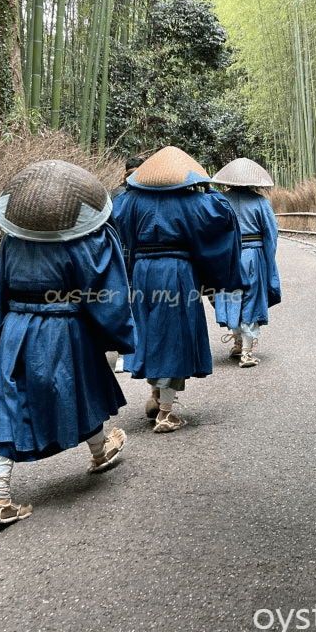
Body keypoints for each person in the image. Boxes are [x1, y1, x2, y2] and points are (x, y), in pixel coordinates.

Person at [0, 159, 136, 525]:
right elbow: (104, 292)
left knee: (10, 403)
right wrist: (120, 334)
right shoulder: (85, 243)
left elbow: (0, 293)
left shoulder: (11, 243)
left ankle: (0, 496)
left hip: (16, 329)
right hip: (64, 329)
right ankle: (99, 451)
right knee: (80, 389)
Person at [112, 145, 245, 432]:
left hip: (142, 272)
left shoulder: (131, 200)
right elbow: (222, 212)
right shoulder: (191, 200)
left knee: (151, 331)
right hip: (176, 271)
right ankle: (165, 412)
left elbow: (115, 213)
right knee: (174, 335)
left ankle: (156, 394)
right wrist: (206, 186)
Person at [211, 157, 281, 368]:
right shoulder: (261, 202)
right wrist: (269, 260)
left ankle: (238, 342)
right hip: (253, 255)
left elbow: (212, 231)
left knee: (231, 296)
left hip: (228, 255)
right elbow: (271, 234)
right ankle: (246, 353)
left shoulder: (220, 201)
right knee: (251, 298)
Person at [110, 155, 144, 372]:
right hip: (138, 252)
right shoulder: (142, 195)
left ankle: (125, 352)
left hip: (120, 251)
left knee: (124, 300)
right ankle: (132, 351)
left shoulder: (115, 194)